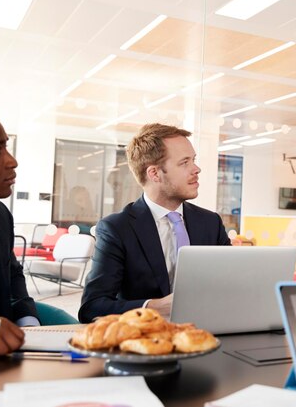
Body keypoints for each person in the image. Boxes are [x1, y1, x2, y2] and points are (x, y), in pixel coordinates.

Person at [79, 123, 231, 323]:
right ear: (154, 174)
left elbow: (231, 284)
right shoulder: (117, 229)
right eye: (184, 162)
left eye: (193, 160)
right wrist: (153, 307)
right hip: (147, 341)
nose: (197, 169)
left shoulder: (210, 222)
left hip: (208, 332)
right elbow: (92, 307)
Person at [0, 102, 39, 355]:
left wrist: (28, 325)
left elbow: (13, 278)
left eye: (7, 148)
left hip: (0, 363)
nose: (12, 161)